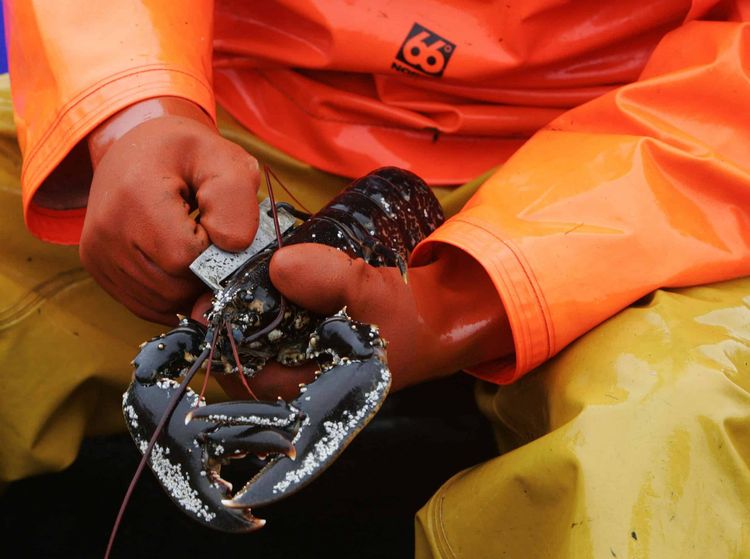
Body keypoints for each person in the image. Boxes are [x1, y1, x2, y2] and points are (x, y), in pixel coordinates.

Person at [3, 1, 750, 556]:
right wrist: (130, 112)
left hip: (646, 162)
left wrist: (460, 302)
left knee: (680, 428)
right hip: (233, 107)